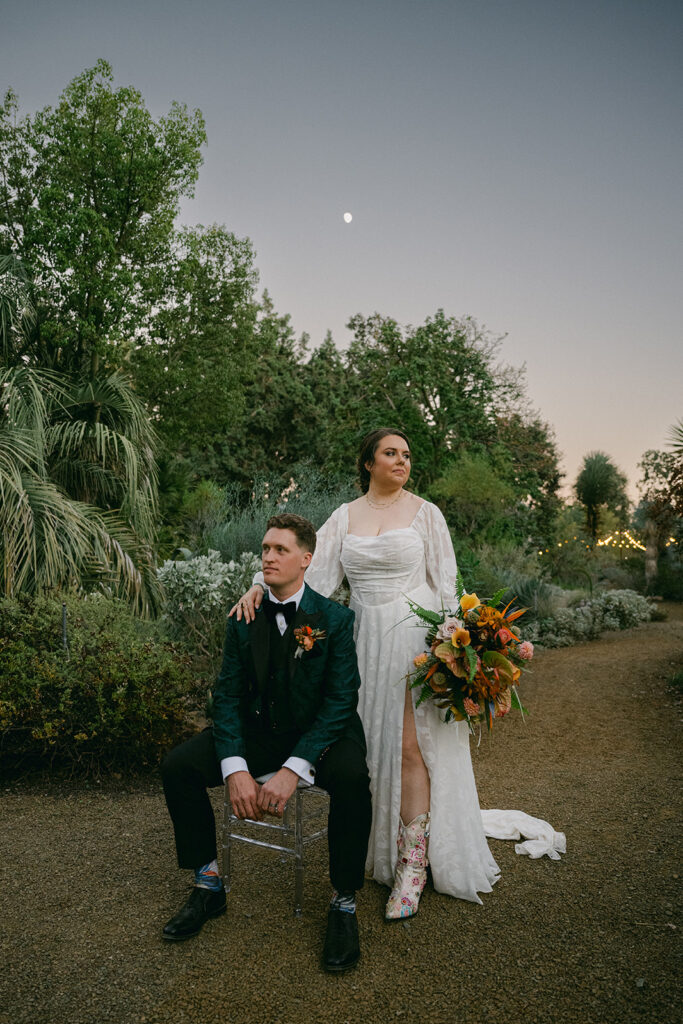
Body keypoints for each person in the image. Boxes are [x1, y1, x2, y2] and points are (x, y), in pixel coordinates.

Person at [233, 429, 507, 920]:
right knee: (370, 748)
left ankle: (412, 867)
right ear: (368, 463)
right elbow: (311, 574)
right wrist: (259, 585)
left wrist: (455, 649)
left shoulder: (426, 513)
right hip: (363, 641)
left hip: (415, 640)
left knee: (409, 747)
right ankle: (374, 849)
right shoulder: (344, 516)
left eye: (406, 455)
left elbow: (447, 584)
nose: (402, 461)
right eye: (390, 453)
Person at [161, 513, 372, 972]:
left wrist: (294, 769)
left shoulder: (335, 619)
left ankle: (343, 901)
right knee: (178, 766)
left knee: (354, 778)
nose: (268, 557)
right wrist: (235, 767)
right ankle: (208, 883)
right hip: (259, 732)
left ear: (306, 559)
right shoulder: (243, 616)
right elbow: (227, 696)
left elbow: (341, 701)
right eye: (265, 549)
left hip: (321, 733)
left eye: (280, 550)